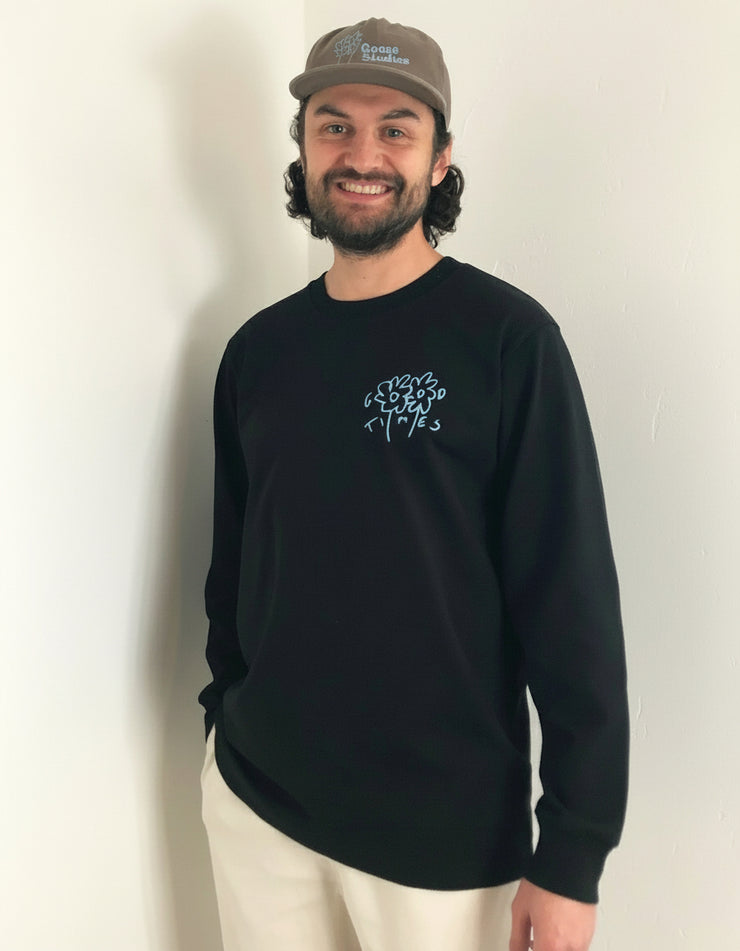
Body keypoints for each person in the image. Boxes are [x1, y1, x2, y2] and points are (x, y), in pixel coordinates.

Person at [198, 17, 629, 951]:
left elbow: (574, 611)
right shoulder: (258, 351)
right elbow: (232, 566)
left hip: (442, 843)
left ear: (439, 160)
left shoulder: (510, 343)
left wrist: (573, 856)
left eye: (396, 128)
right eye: (334, 125)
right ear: (305, 150)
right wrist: (219, 718)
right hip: (257, 807)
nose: (363, 154)